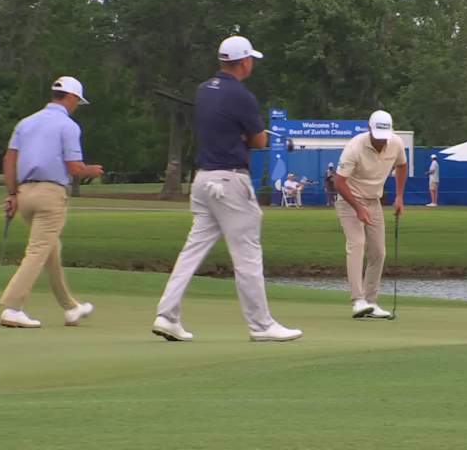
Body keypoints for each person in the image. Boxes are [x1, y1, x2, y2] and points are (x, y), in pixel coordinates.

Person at [153, 35, 302, 342]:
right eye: (252, 61)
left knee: (191, 252)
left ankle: (166, 315)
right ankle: (261, 325)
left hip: (203, 181)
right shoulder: (242, 95)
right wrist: (251, 135)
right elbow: (259, 141)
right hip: (231, 182)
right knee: (247, 256)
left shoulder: (204, 90)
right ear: (244, 62)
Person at [0, 76, 104, 328]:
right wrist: (92, 171)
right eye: (77, 101)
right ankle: (13, 308)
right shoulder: (68, 126)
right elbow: (74, 167)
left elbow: (9, 160)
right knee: (37, 251)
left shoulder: (26, 122)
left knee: (50, 251)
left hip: (24, 194)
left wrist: (11, 194)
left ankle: (71, 308)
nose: (76, 105)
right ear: (70, 98)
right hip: (50, 196)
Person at [334, 110, 407, 319]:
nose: (382, 141)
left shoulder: (396, 143)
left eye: (385, 137)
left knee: (379, 252)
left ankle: (371, 302)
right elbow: (339, 182)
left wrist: (399, 197)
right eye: (378, 136)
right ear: (369, 129)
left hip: (374, 202)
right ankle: (357, 301)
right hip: (349, 201)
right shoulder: (354, 147)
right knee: (357, 244)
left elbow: (402, 165)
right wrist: (358, 207)